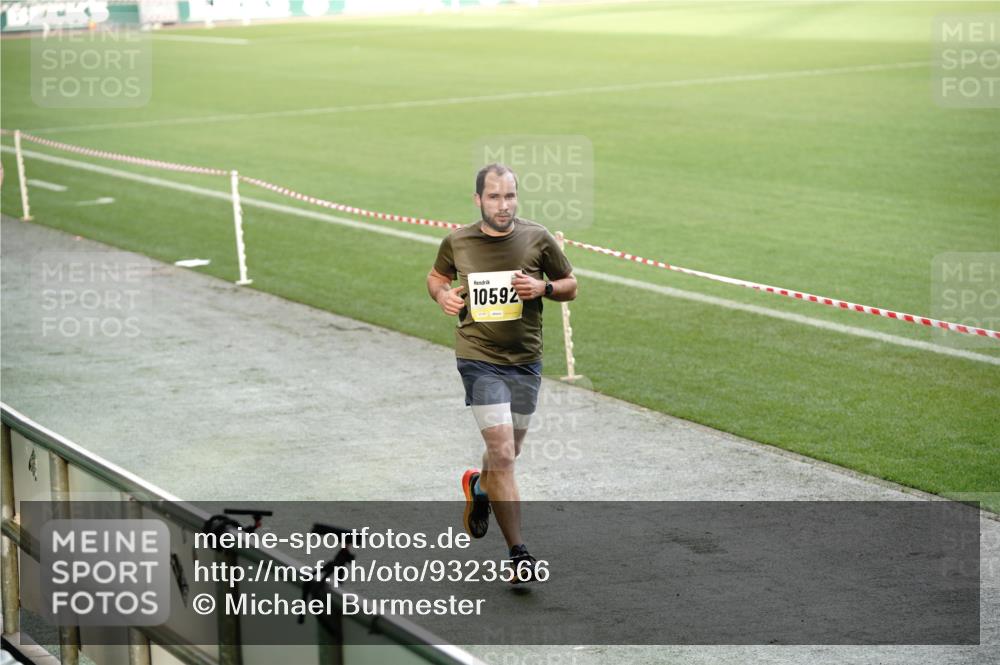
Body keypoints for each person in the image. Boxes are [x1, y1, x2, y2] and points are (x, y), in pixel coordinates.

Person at [426, 163, 577, 583]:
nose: (503, 204)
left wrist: (543, 288)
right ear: (478, 200)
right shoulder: (458, 241)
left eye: (509, 196)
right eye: (494, 196)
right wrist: (443, 296)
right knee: (505, 454)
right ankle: (519, 554)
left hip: (526, 360)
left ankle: (479, 487)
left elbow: (570, 284)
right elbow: (437, 277)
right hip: (478, 357)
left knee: (508, 453)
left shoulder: (538, 237)